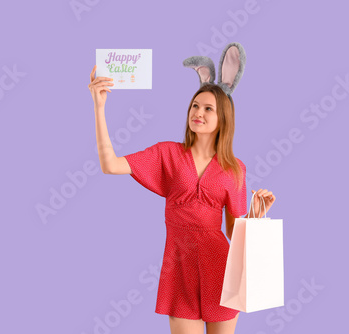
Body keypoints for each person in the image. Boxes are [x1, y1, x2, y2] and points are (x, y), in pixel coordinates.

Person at [88, 64, 276, 334]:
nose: (198, 112)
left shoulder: (235, 168)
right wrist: (99, 107)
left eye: (208, 108)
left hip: (221, 271)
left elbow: (234, 230)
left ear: (223, 117)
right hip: (179, 269)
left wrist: (257, 216)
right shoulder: (167, 154)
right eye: (195, 106)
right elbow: (110, 165)